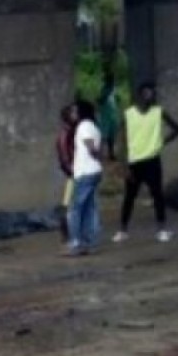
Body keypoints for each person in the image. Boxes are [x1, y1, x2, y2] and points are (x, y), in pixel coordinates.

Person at [113, 81, 178, 243]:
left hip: (152, 159)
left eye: (152, 92)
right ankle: (123, 230)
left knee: (157, 195)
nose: (150, 95)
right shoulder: (128, 114)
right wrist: (122, 163)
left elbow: (177, 129)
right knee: (129, 197)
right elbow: (121, 140)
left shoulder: (158, 111)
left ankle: (162, 229)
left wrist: (161, 142)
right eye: (146, 92)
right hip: (134, 161)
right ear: (139, 95)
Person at [65, 100, 102, 257]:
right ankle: (90, 242)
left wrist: (96, 154)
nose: (72, 114)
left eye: (74, 111)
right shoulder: (93, 126)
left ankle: (75, 242)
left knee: (75, 209)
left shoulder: (84, 126)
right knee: (89, 208)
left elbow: (91, 147)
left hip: (85, 172)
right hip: (93, 171)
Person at [55, 105, 76, 244]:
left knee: (69, 203)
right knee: (66, 204)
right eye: (73, 113)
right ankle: (66, 233)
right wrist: (72, 171)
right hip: (70, 173)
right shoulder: (65, 134)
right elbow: (64, 157)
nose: (76, 115)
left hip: (72, 171)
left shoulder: (72, 132)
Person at [97, 69, 120, 162]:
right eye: (111, 80)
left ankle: (111, 154)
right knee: (103, 136)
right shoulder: (105, 89)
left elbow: (117, 100)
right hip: (106, 115)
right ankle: (100, 154)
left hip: (112, 115)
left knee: (111, 136)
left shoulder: (114, 89)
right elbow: (101, 100)